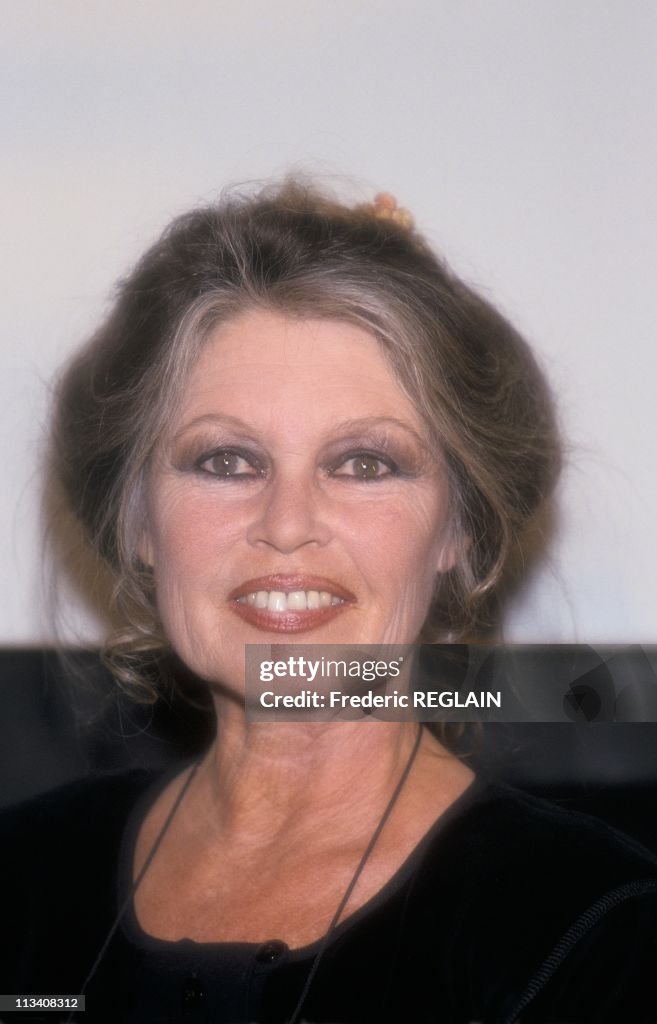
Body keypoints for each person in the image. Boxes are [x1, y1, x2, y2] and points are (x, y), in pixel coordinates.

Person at [1, 180, 656, 1024]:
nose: (286, 525)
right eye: (225, 461)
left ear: (458, 530)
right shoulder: (20, 877)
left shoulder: (589, 930)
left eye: (364, 463)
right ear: (137, 523)